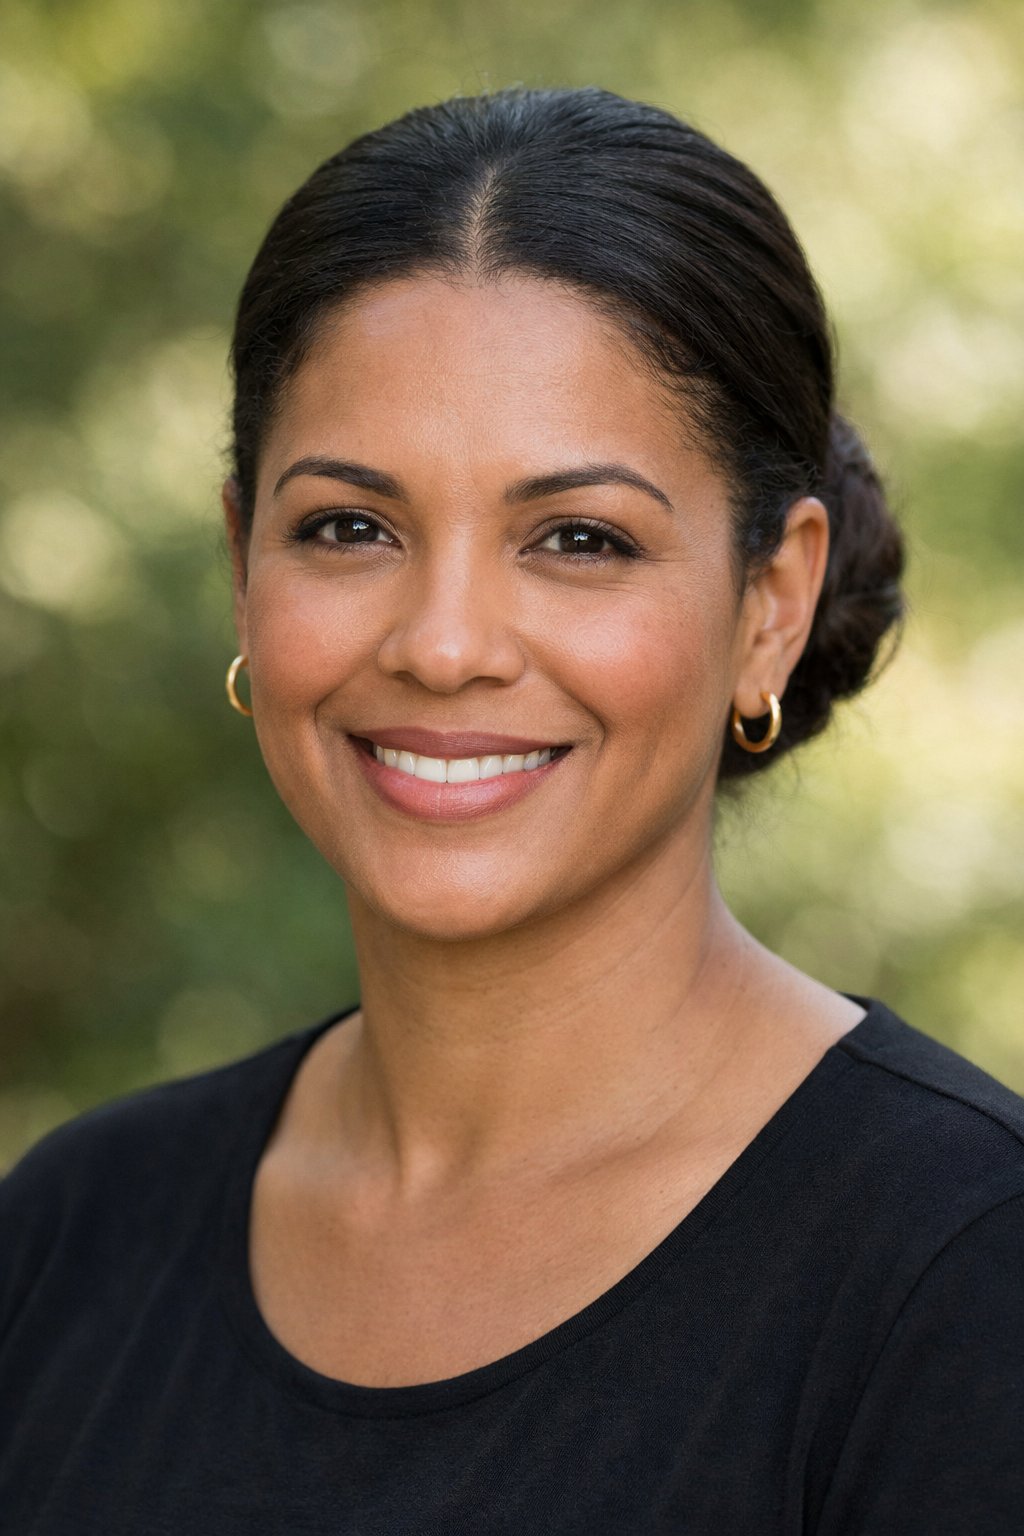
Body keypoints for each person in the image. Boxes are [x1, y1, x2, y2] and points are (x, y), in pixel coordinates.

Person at [1, 86, 1022, 1534]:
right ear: (242, 564)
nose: (443, 644)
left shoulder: (965, 1270)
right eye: (349, 527)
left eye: (578, 539)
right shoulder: (72, 1233)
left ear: (770, 605)